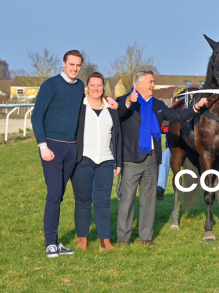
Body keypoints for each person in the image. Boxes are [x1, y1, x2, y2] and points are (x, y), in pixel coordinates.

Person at [32, 50, 117, 258]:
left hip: (73, 149)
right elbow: (37, 116)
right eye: (71, 64)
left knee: (61, 195)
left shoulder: (79, 86)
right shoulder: (50, 85)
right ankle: (50, 243)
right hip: (53, 147)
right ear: (63, 64)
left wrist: (108, 98)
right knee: (54, 194)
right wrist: (42, 145)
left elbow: (93, 95)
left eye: (78, 65)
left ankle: (57, 242)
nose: (75, 68)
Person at [116, 70, 207, 246]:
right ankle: (123, 239)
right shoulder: (124, 101)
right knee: (127, 200)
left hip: (152, 159)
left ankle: (145, 237)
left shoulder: (157, 104)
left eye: (154, 81)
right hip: (131, 159)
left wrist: (196, 107)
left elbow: (178, 116)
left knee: (149, 200)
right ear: (138, 84)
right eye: (150, 82)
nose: (154, 85)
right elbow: (118, 113)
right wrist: (128, 101)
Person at [71, 72, 122, 252]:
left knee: (103, 202)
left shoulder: (111, 108)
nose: (96, 88)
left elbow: (117, 136)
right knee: (82, 201)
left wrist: (118, 162)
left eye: (99, 85)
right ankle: (82, 239)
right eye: (92, 85)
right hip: (82, 160)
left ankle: (104, 241)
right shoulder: (79, 106)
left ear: (103, 87)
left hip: (106, 161)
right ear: (87, 87)